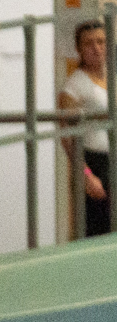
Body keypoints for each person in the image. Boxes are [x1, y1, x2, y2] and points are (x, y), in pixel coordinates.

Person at [66, 21, 111, 239]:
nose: (96, 48)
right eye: (89, 43)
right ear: (79, 49)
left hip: (113, 160)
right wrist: (87, 175)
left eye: (101, 42)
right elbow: (67, 139)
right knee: (98, 232)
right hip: (94, 164)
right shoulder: (74, 86)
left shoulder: (111, 78)